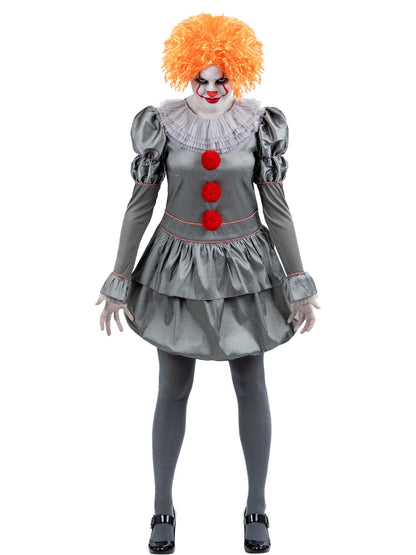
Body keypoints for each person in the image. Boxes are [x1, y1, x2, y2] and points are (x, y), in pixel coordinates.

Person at [95, 13, 320, 554]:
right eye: (202, 79)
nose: (213, 89)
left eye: (223, 79)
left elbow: (277, 208)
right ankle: (162, 508)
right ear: (187, 74)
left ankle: (257, 506)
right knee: (173, 388)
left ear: (239, 73)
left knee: (251, 383)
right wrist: (119, 277)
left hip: (246, 269)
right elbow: (140, 205)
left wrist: (299, 279)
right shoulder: (162, 125)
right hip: (177, 268)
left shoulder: (259, 125)